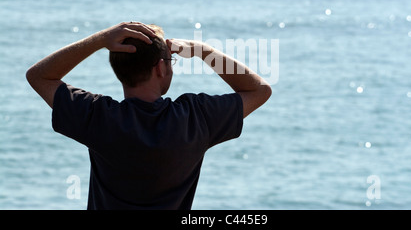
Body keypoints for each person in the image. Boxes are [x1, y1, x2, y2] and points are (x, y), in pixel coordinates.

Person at [26, 21, 271, 209]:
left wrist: (100, 40)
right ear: (160, 67)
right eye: (170, 60)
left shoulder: (98, 117)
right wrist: (202, 50)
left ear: (118, 70)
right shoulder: (196, 118)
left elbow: (38, 76)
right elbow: (259, 90)